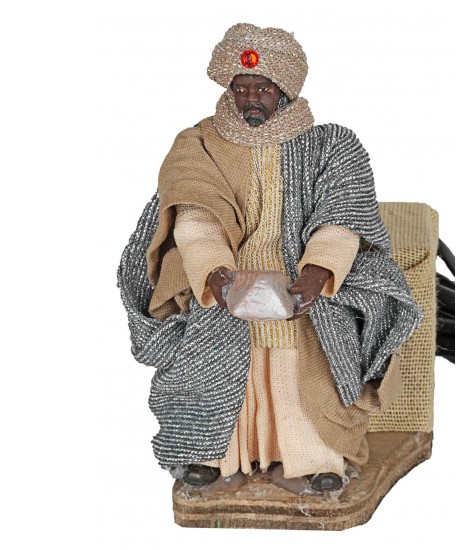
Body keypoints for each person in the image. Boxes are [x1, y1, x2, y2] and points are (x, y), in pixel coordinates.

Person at [119, 23, 422, 494]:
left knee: (315, 361)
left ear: (284, 89)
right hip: (224, 278)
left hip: (304, 280)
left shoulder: (333, 145)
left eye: (262, 88)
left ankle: (313, 459)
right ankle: (214, 456)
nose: (250, 98)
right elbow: (195, 217)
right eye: (241, 88)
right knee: (207, 359)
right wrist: (215, 276)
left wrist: (317, 274)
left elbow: (342, 217)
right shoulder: (198, 145)